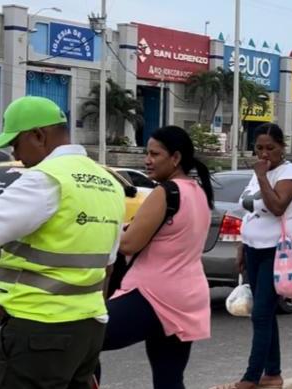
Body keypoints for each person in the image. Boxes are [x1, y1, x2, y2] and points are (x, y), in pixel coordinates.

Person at [0, 96, 125, 389]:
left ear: (38, 135)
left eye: (15, 144)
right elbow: (107, 264)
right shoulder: (108, 181)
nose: (16, 155)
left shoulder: (45, 179)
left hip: (39, 329)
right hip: (89, 328)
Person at [101, 126, 213, 388]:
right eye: (146, 153)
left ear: (175, 158)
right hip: (188, 296)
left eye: (155, 154)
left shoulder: (165, 191)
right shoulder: (198, 192)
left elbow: (129, 245)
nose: (147, 160)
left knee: (82, 342)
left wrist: (105, 230)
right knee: (169, 379)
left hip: (152, 294)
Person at [216, 123, 292, 389]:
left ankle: (251, 377)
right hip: (253, 248)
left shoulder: (288, 173)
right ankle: (273, 373)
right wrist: (242, 244)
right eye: (260, 148)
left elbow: (276, 207)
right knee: (265, 313)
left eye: (270, 148)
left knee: (260, 314)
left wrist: (263, 177)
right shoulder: (257, 174)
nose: (264, 154)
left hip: (275, 252)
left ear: (282, 148)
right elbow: (249, 211)